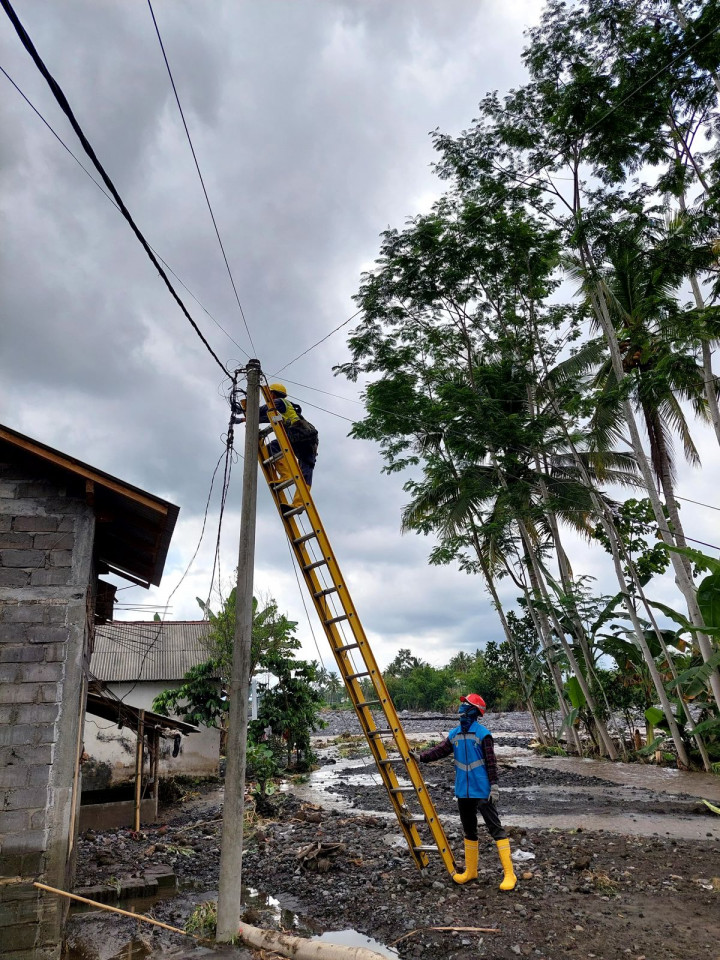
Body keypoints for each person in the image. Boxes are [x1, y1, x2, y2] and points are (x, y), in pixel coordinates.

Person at [412, 693, 517, 890]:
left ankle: (510, 874)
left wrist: (494, 787)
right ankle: (471, 872)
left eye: (465, 705)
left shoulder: (483, 734)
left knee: (496, 829)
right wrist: (420, 757)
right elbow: (439, 751)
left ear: (474, 710)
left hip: (483, 790)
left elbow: (491, 762)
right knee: (469, 830)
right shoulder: (454, 734)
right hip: (463, 792)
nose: (460, 709)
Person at [260, 382, 318, 512]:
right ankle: (296, 498)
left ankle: (296, 498)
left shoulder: (280, 402)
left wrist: (246, 409)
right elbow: (261, 417)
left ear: (272, 393)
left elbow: (260, 411)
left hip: (303, 438)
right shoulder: (278, 411)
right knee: (272, 448)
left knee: (304, 471)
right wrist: (242, 419)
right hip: (299, 440)